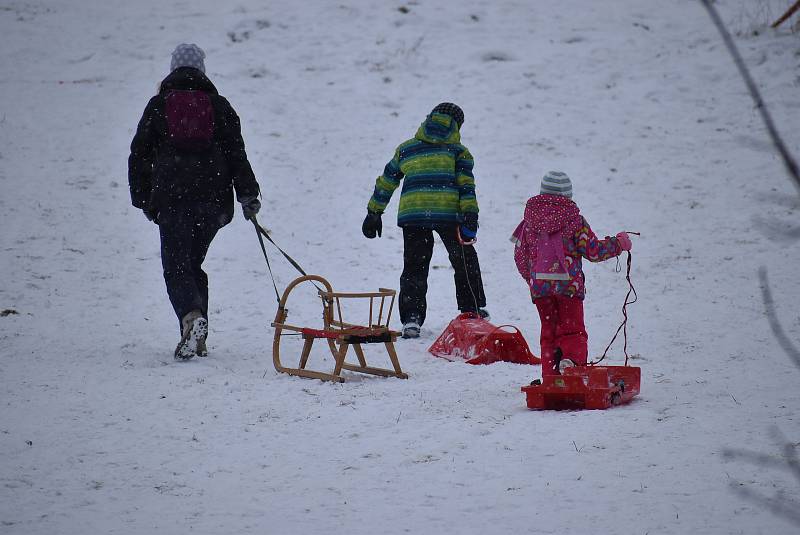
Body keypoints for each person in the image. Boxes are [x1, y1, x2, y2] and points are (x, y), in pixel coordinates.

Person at [128, 43, 262, 360]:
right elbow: (235, 153)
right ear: (202, 70)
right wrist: (248, 194)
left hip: (173, 199)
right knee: (193, 264)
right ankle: (197, 334)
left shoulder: (159, 104)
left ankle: (191, 317)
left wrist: (143, 197)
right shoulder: (220, 106)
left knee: (176, 267)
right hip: (213, 203)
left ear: (172, 70)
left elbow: (139, 155)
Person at [362, 103, 488, 339]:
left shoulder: (407, 149)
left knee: (414, 265)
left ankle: (411, 318)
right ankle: (472, 309)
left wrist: (374, 211)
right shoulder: (458, 151)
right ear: (456, 125)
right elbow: (466, 186)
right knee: (464, 259)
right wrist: (471, 214)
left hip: (414, 214)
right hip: (448, 213)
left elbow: (387, 179)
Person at [511, 171, 632, 378]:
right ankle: (572, 366)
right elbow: (593, 251)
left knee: (548, 333)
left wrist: (533, 280)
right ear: (568, 195)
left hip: (541, 289)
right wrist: (618, 244)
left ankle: (550, 376)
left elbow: (520, 256)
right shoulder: (575, 221)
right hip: (569, 287)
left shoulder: (529, 222)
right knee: (572, 330)